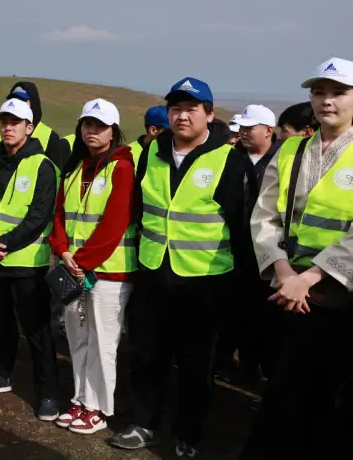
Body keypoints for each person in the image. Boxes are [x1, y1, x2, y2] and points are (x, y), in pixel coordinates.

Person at [109, 77, 250, 458]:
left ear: (209, 114)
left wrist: (239, 288)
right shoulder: (150, 152)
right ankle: (143, 423)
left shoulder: (230, 161)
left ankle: (188, 435)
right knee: (146, 354)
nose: (182, 115)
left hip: (205, 280)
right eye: (175, 108)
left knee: (195, 364)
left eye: (191, 108)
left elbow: (242, 228)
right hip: (154, 272)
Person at [242, 58, 353, 459]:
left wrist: (311, 278)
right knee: (283, 396)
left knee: (329, 402)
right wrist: (284, 270)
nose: (327, 101)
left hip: (339, 298)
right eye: (319, 92)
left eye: (338, 92)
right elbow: (264, 214)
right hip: (288, 294)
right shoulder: (291, 149)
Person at [0, 98, 61, 420]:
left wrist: (1, 245)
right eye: (3, 122)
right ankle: (0, 374)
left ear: (29, 127)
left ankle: (48, 392)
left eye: (15, 122)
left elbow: (39, 217)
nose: (7, 127)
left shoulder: (43, 166)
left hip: (27, 264)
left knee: (37, 330)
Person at [50, 100, 135, 435]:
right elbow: (59, 215)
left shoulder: (121, 168)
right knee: (77, 338)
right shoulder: (74, 168)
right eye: (87, 124)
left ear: (113, 131)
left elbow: (114, 224)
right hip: (74, 269)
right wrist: (62, 250)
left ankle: (98, 408)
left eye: (99, 125)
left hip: (108, 273)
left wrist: (80, 262)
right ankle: (79, 398)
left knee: (103, 343)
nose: (91, 131)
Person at [214, 104, 281, 386]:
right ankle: (230, 363)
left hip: (269, 252)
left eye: (248, 128)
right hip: (234, 249)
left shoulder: (283, 160)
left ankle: (260, 370)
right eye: (240, 128)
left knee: (264, 317)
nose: (242, 133)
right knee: (233, 311)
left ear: (268, 131)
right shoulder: (232, 158)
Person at [0, 81, 69, 168]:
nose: (17, 104)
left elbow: (56, 175)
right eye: (14, 100)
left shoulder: (50, 136)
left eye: (22, 100)